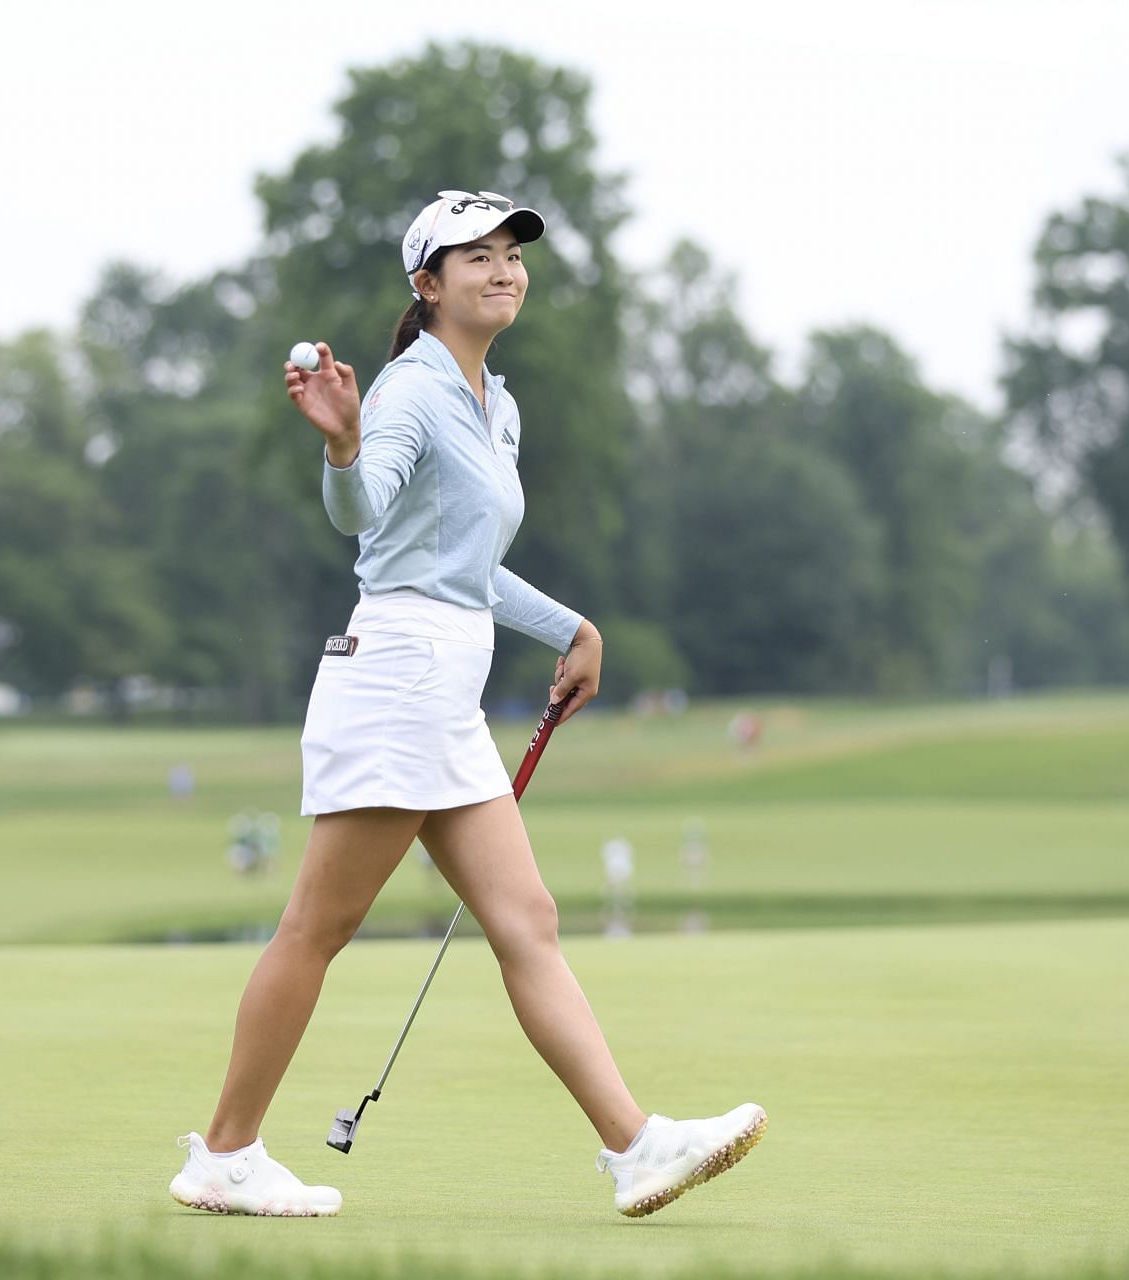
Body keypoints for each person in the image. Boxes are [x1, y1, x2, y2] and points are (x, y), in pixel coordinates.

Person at [169, 188, 765, 1220]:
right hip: (395, 672)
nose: (501, 269)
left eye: (510, 254)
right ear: (427, 284)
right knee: (317, 925)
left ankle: (634, 1144)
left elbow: (469, 561)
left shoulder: (498, 402)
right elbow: (364, 516)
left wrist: (569, 627)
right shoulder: (404, 392)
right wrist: (344, 443)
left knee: (527, 918)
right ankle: (225, 1151)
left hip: (443, 684)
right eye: (474, 256)